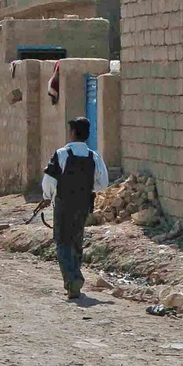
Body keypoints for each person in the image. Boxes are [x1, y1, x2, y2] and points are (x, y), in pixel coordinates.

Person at [40, 117, 109, 300]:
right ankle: (75, 278)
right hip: (83, 204)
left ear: (72, 133)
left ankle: (73, 282)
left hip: (64, 205)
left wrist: (47, 197)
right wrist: (87, 187)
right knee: (76, 240)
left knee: (63, 242)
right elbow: (103, 183)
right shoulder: (94, 157)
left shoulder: (61, 154)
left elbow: (49, 180)